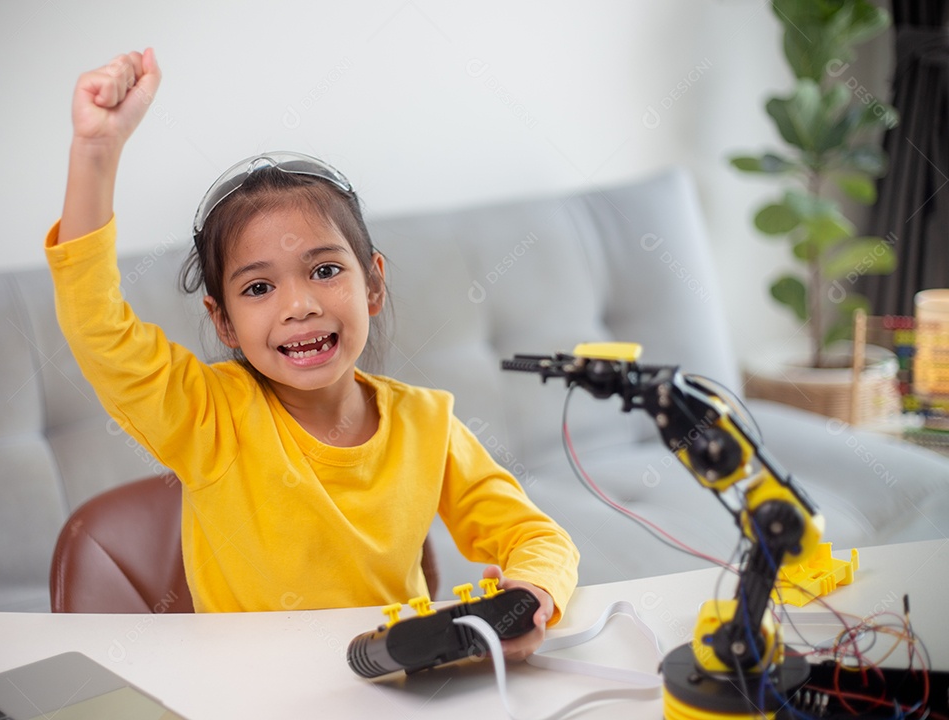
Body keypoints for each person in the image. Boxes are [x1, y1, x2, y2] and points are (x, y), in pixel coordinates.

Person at [45, 48, 578, 659]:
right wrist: (95, 153)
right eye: (259, 287)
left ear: (373, 283)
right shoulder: (207, 417)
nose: (298, 305)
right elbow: (96, 324)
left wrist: (530, 592)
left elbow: (536, 536)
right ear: (222, 321)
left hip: (391, 691)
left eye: (325, 270)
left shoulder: (427, 423)